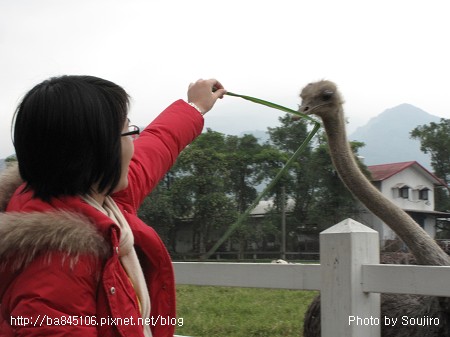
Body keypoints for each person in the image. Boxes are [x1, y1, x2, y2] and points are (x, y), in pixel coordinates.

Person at [0, 75, 226, 337]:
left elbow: (157, 145)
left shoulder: (99, 198)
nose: (134, 144)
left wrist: (193, 108)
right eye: (128, 131)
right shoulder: (55, 264)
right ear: (96, 151)